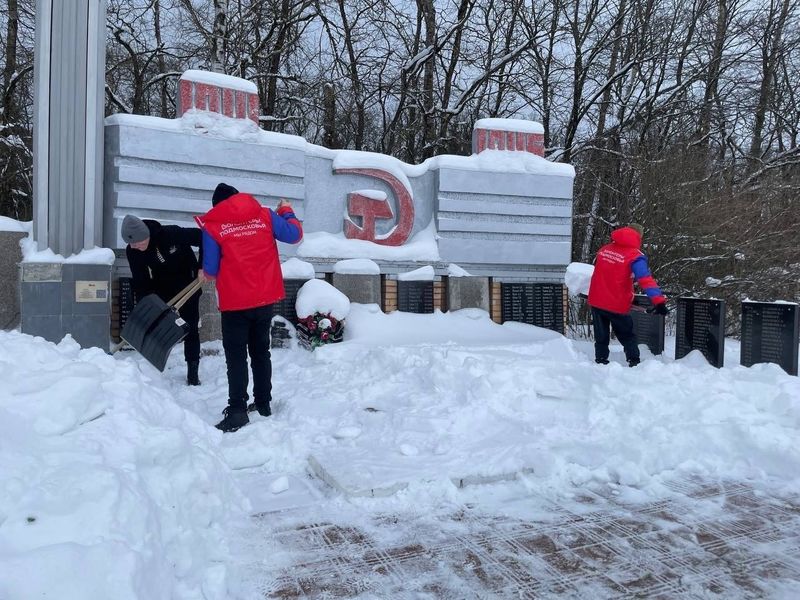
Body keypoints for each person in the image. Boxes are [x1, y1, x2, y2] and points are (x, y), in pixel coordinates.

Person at [195, 183, 303, 432]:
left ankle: (237, 410)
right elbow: (294, 235)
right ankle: (263, 403)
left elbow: (211, 270)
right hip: (265, 298)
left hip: (235, 302)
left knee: (236, 357)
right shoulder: (265, 215)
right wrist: (286, 211)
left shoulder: (213, 225)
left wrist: (205, 272)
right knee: (260, 351)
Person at [122, 214, 204, 384]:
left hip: (189, 280)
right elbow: (141, 281)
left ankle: (193, 371)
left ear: (147, 235)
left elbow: (204, 237)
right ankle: (152, 363)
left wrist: (203, 267)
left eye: (139, 242)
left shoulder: (170, 233)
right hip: (162, 284)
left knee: (191, 326)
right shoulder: (133, 252)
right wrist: (147, 307)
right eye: (132, 244)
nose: (136, 246)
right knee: (157, 323)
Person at [587, 223, 668, 367]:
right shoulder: (635, 256)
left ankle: (600, 362)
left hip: (597, 300)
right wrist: (659, 301)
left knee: (601, 336)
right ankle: (634, 362)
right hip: (617, 303)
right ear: (638, 236)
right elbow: (645, 279)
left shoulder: (604, 250)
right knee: (627, 335)